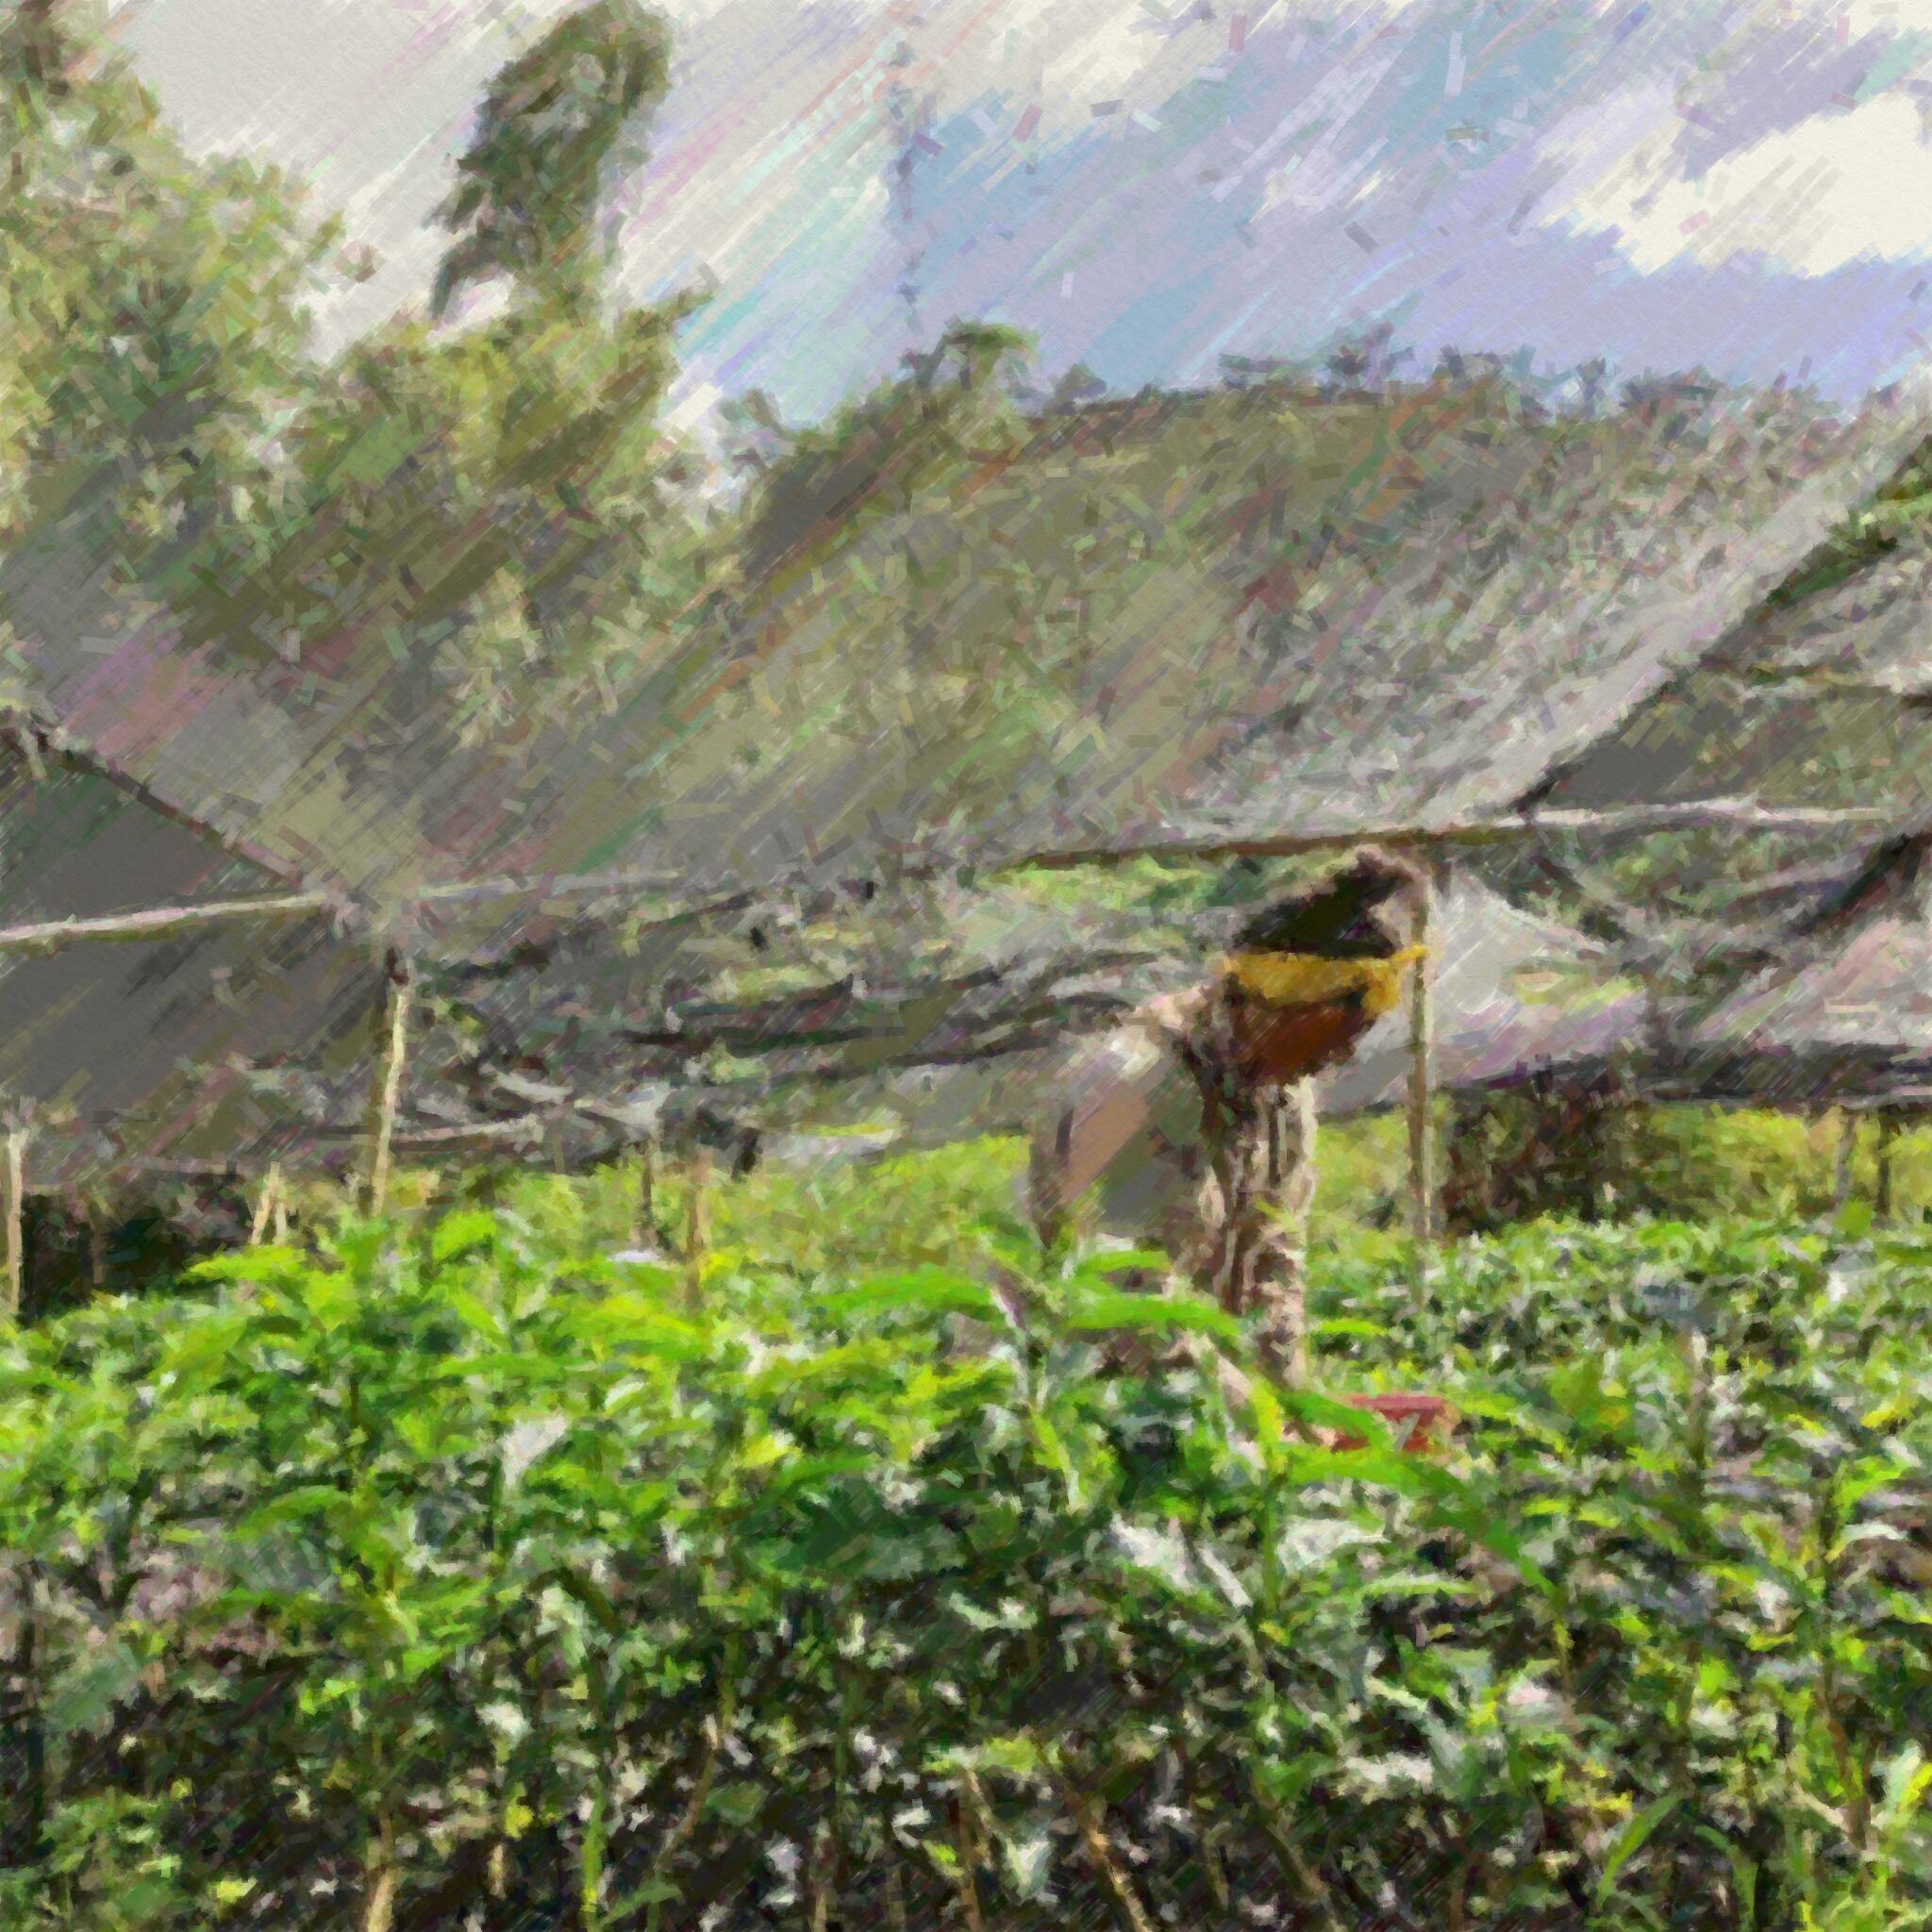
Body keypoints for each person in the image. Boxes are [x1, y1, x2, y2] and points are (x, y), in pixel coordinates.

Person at [1027, 848, 1428, 1383]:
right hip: (1067, 1387)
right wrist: (1243, 1406)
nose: (1339, 1057)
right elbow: (1122, 1303)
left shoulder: (1283, 1095)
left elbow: (1274, 1261)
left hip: (1186, 1388)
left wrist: (1292, 1397)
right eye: (1336, 1034)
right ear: (1279, 1008)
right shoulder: (1136, 1081)